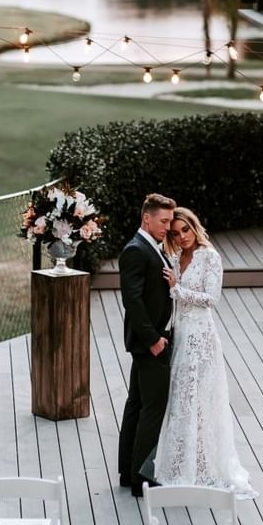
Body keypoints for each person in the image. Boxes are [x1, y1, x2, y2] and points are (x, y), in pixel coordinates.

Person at [152, 207, 257, 499]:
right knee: (181, 399)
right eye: (176, 233)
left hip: (201, 338)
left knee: (200, 399)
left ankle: (203, 465)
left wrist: (177, 290)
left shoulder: (210, 257)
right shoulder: (175, 258)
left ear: (194, 227)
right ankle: (181, 462)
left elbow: (212, 298)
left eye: (185, 230)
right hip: (180, 335)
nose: (182, 237)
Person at [118, 193, 176, 497]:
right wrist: (153, 340)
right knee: (152, 410)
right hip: (150, 344)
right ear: (146, 218)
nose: (168, 227)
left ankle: (128, 472)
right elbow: (133, 301)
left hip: (147, 342)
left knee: (136, 405)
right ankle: (142, 480)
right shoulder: (136, 250)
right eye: (163, 221)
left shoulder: (150, 246)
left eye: (169, 221)